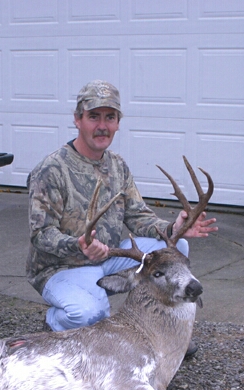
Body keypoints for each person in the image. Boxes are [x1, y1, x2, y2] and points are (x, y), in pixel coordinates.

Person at [26, 80, 217, 340]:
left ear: (117, 122)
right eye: (94, 116)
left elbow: (138, 216)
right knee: (90, 316)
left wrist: (174, 228)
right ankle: (55, 320)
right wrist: (78, 244)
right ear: (77, 119)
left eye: (110, 117)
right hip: (61, 268)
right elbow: (41, 234)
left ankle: (165, 329)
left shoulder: (117, 165)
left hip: (108, 258)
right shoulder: (51, 169)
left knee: (176, 250)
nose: (102, 126)